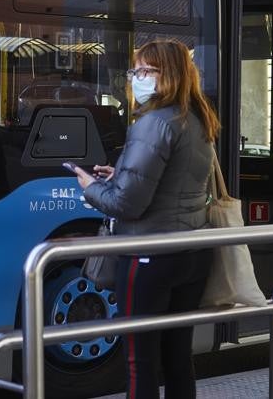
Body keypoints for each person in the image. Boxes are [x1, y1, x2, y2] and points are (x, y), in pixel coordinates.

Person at [71, 39, 216, 399]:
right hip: (192, 252)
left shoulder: (155, 122)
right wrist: (119, 171)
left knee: (140, 360)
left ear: (168, 75)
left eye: (145, 70)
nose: (136, 77)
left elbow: (127, 204)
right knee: (178, 354)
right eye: (136, 70)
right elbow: (174, 182)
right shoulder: (198, 119)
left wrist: (91, 186)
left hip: (150, 254)